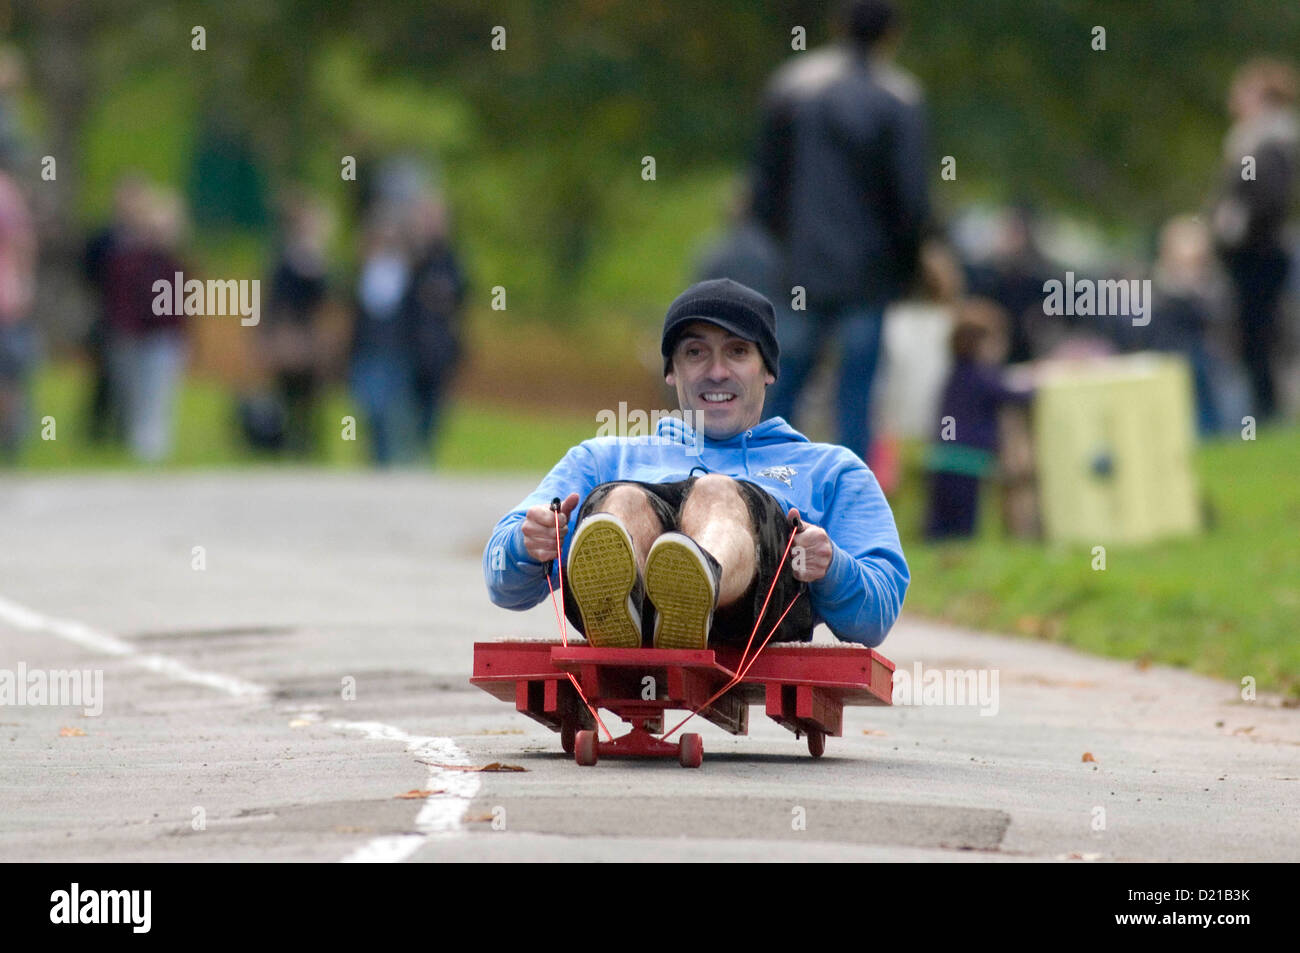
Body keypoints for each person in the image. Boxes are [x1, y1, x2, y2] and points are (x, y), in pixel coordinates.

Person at [483, 278, 909, 650]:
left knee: (717, 492)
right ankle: (624, 604)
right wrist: (528, 544)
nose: (717, 372)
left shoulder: (831, 469)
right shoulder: (604, 458)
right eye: (696, 353)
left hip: (753, 615)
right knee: (625, 499)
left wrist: (832, 567)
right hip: (627, 616)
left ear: (769, 371)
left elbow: (876, 617)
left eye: (738, 352)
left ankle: (694, 589)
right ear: (672, 372)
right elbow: (502, 583)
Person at [751, 0, 930, 462]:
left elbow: (764, 190)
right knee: (856, 396)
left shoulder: (792, 87)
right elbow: (910, 201)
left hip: (799, 269)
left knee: (782, 384)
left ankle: (761, 488)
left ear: (837, 25)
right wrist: (909, 269)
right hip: (869, 276)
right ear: (893, 34)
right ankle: (847, 505)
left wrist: (782, 247)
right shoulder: (900, 98)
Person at [1211, 57, 1298, 424]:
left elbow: (1267, 201)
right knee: (1252, 336)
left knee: (1262, 335)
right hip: (1248, 255)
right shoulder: (1250, 142)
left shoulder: (1270, 143)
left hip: (1258, 254)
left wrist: (1235, 224)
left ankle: (1267, 412)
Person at [924, 299, 1032, 540]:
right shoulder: (981, 376)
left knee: (939, 521)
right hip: (968, 460)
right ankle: (957, 554)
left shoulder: (955, 375)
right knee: (963, 523)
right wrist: (1040, 382)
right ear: (980, 343)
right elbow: (1014, 395)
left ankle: (938, 552)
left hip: (942, 457)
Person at [402, 193, 466, 457]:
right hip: (408, 344)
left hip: (437, 347)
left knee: (433, 405)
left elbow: (459, 296)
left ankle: (423, 451)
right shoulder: (411, 257)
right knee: (406, 402)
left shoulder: (450, 258)